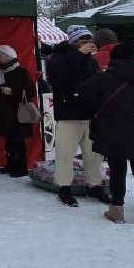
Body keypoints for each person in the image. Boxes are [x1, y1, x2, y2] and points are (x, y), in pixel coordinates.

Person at [78, 39, 134, 225]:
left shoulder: (107, 76)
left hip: (113, 129)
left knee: (117, 171)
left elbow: (84, 92)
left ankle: (116, 210)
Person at [44, 24, 106, 206]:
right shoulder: (58, 57)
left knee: (94, 154)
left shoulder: (91, 61)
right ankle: (64, 187)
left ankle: (94, 185)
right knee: (65, 154)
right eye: (83, 40)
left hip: (91, 114)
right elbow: (60, 76)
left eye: (89, 40)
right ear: (73, 41)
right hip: (69, 114)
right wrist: (79, 54)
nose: (87, 43)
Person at [0, 44, 33, 177]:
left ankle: (21, 168)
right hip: (5, 112)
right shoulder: (0, 72)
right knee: (9, 140)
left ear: (8, 57)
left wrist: (12, 91)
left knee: (18, 140)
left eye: (0, 56)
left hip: (17, 112)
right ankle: (10, 165)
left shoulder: (20, 72)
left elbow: (30, 92)